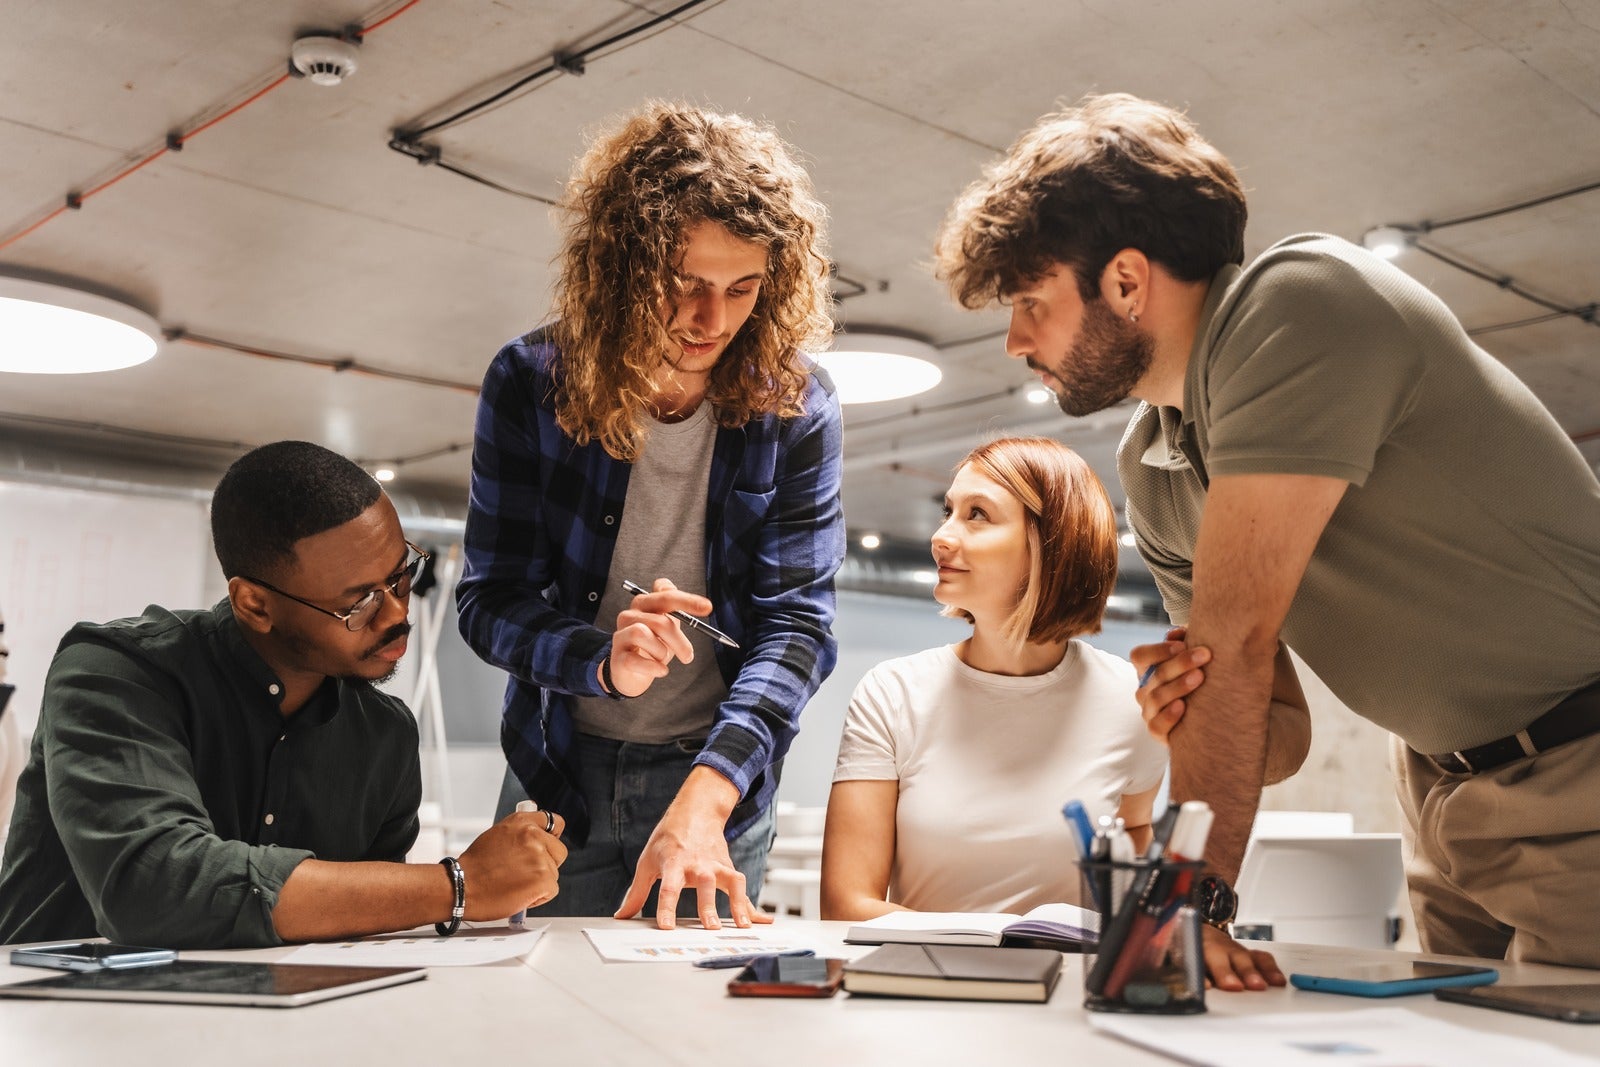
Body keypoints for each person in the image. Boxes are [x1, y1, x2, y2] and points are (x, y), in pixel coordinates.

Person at [935, 91, 1600, 985]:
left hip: (1579, 770)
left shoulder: (1300, 303)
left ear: (1126, 282)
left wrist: (1188, 908)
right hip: (1440, 789)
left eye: (1030, 301)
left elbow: (1240, 645)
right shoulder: (1153, 465)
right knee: (1436, 1035)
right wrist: (1190, 708)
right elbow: (1277, 729)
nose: (1016, 340)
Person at [456, 101, 844, 932]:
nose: (713, 321)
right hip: (557, 769)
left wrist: (709, 794)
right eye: (685, 284)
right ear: (624, 269)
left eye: (742, 289)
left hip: (714, 777)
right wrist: (600, 659)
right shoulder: (532, 382)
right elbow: (487, 601)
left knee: (698, 1007)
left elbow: (797, 627)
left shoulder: (798, 406)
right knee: (533, 999)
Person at [0, 441, 566, 948]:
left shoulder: (385, 733)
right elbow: (155, 886)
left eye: (400, 577)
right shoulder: (117, 675)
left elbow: (361, 928)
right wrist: (459, 885)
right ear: (255, 605)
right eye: (359, 603)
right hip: (65, 1011)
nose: (397, 613)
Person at [821, 437, 1167, 920]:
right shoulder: (893, 693)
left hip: (1070, 969)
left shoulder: (1130, 699)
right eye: (948, 511)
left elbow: (1133, 833)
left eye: (977, 514)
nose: (941, 536)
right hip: (923, 967)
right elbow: (847, 905)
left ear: (1051, 543)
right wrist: (996, 941)